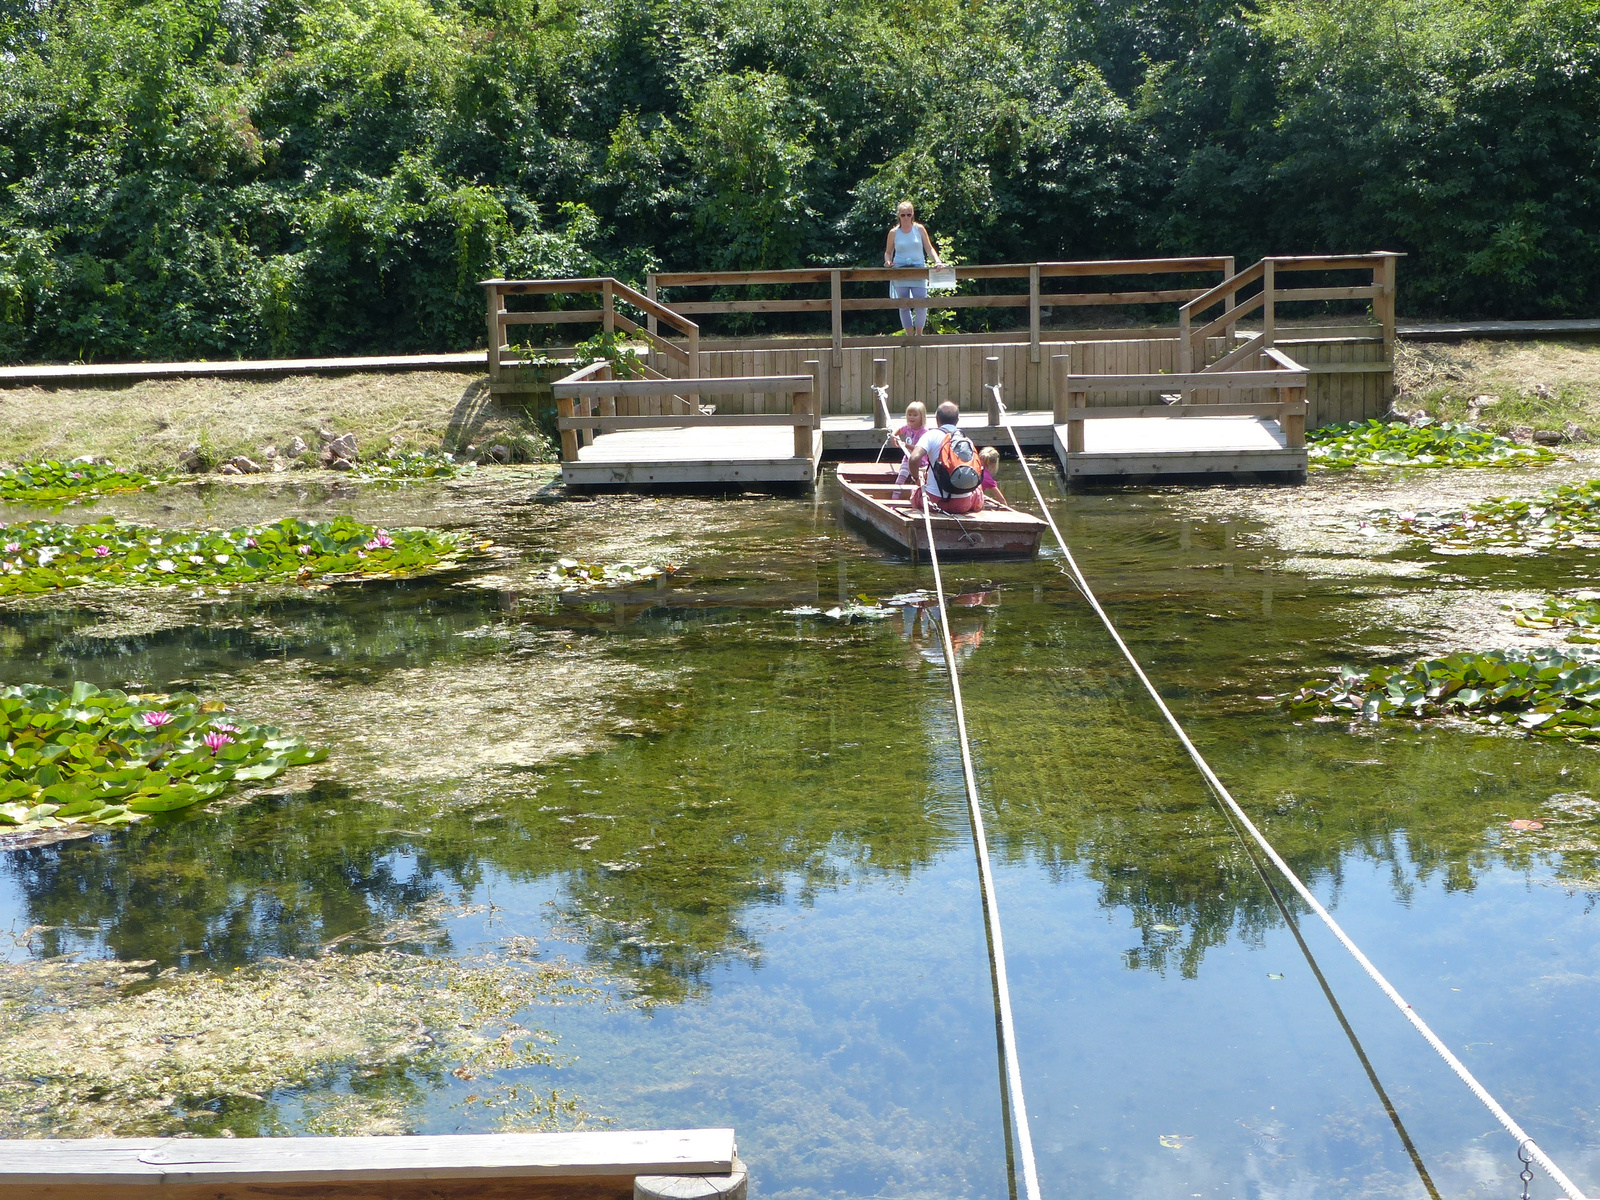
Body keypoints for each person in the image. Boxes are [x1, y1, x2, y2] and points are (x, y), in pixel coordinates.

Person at [907, 402, 984, 514]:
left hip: (935, 503)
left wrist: (916, 478)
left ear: (937, 419)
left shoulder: (931, 435)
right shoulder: (966, 440)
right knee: (978, 489)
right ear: (957, 420)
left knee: (916, 491)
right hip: (964, 504)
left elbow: (913, 459)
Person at [883, 201, 944, 336]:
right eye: (903, 215)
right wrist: (888, 262)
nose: (906, 218)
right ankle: (910, 336)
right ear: (899, 215)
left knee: (921, 304)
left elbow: (929, 248)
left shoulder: (919, 229)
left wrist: (938, 261)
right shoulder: (893, 232)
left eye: (908, 214)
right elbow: (888, 252)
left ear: (913, 215)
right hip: (900, 272)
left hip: (919, 271)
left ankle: (919, 335)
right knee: (903, 306)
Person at [891, 401, 928, 493]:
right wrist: (893, 436)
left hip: (921, 462)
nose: (911, 417)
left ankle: (918, 498)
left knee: (920, 482)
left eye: (915, 415)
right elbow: (898, 431)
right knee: (901, 478)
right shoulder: (908, 427)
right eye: (909, 414)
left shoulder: (924, 432)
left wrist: (905, 445)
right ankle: (894, 501)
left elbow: (919, 448)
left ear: (921, 417)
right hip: (908, 459)